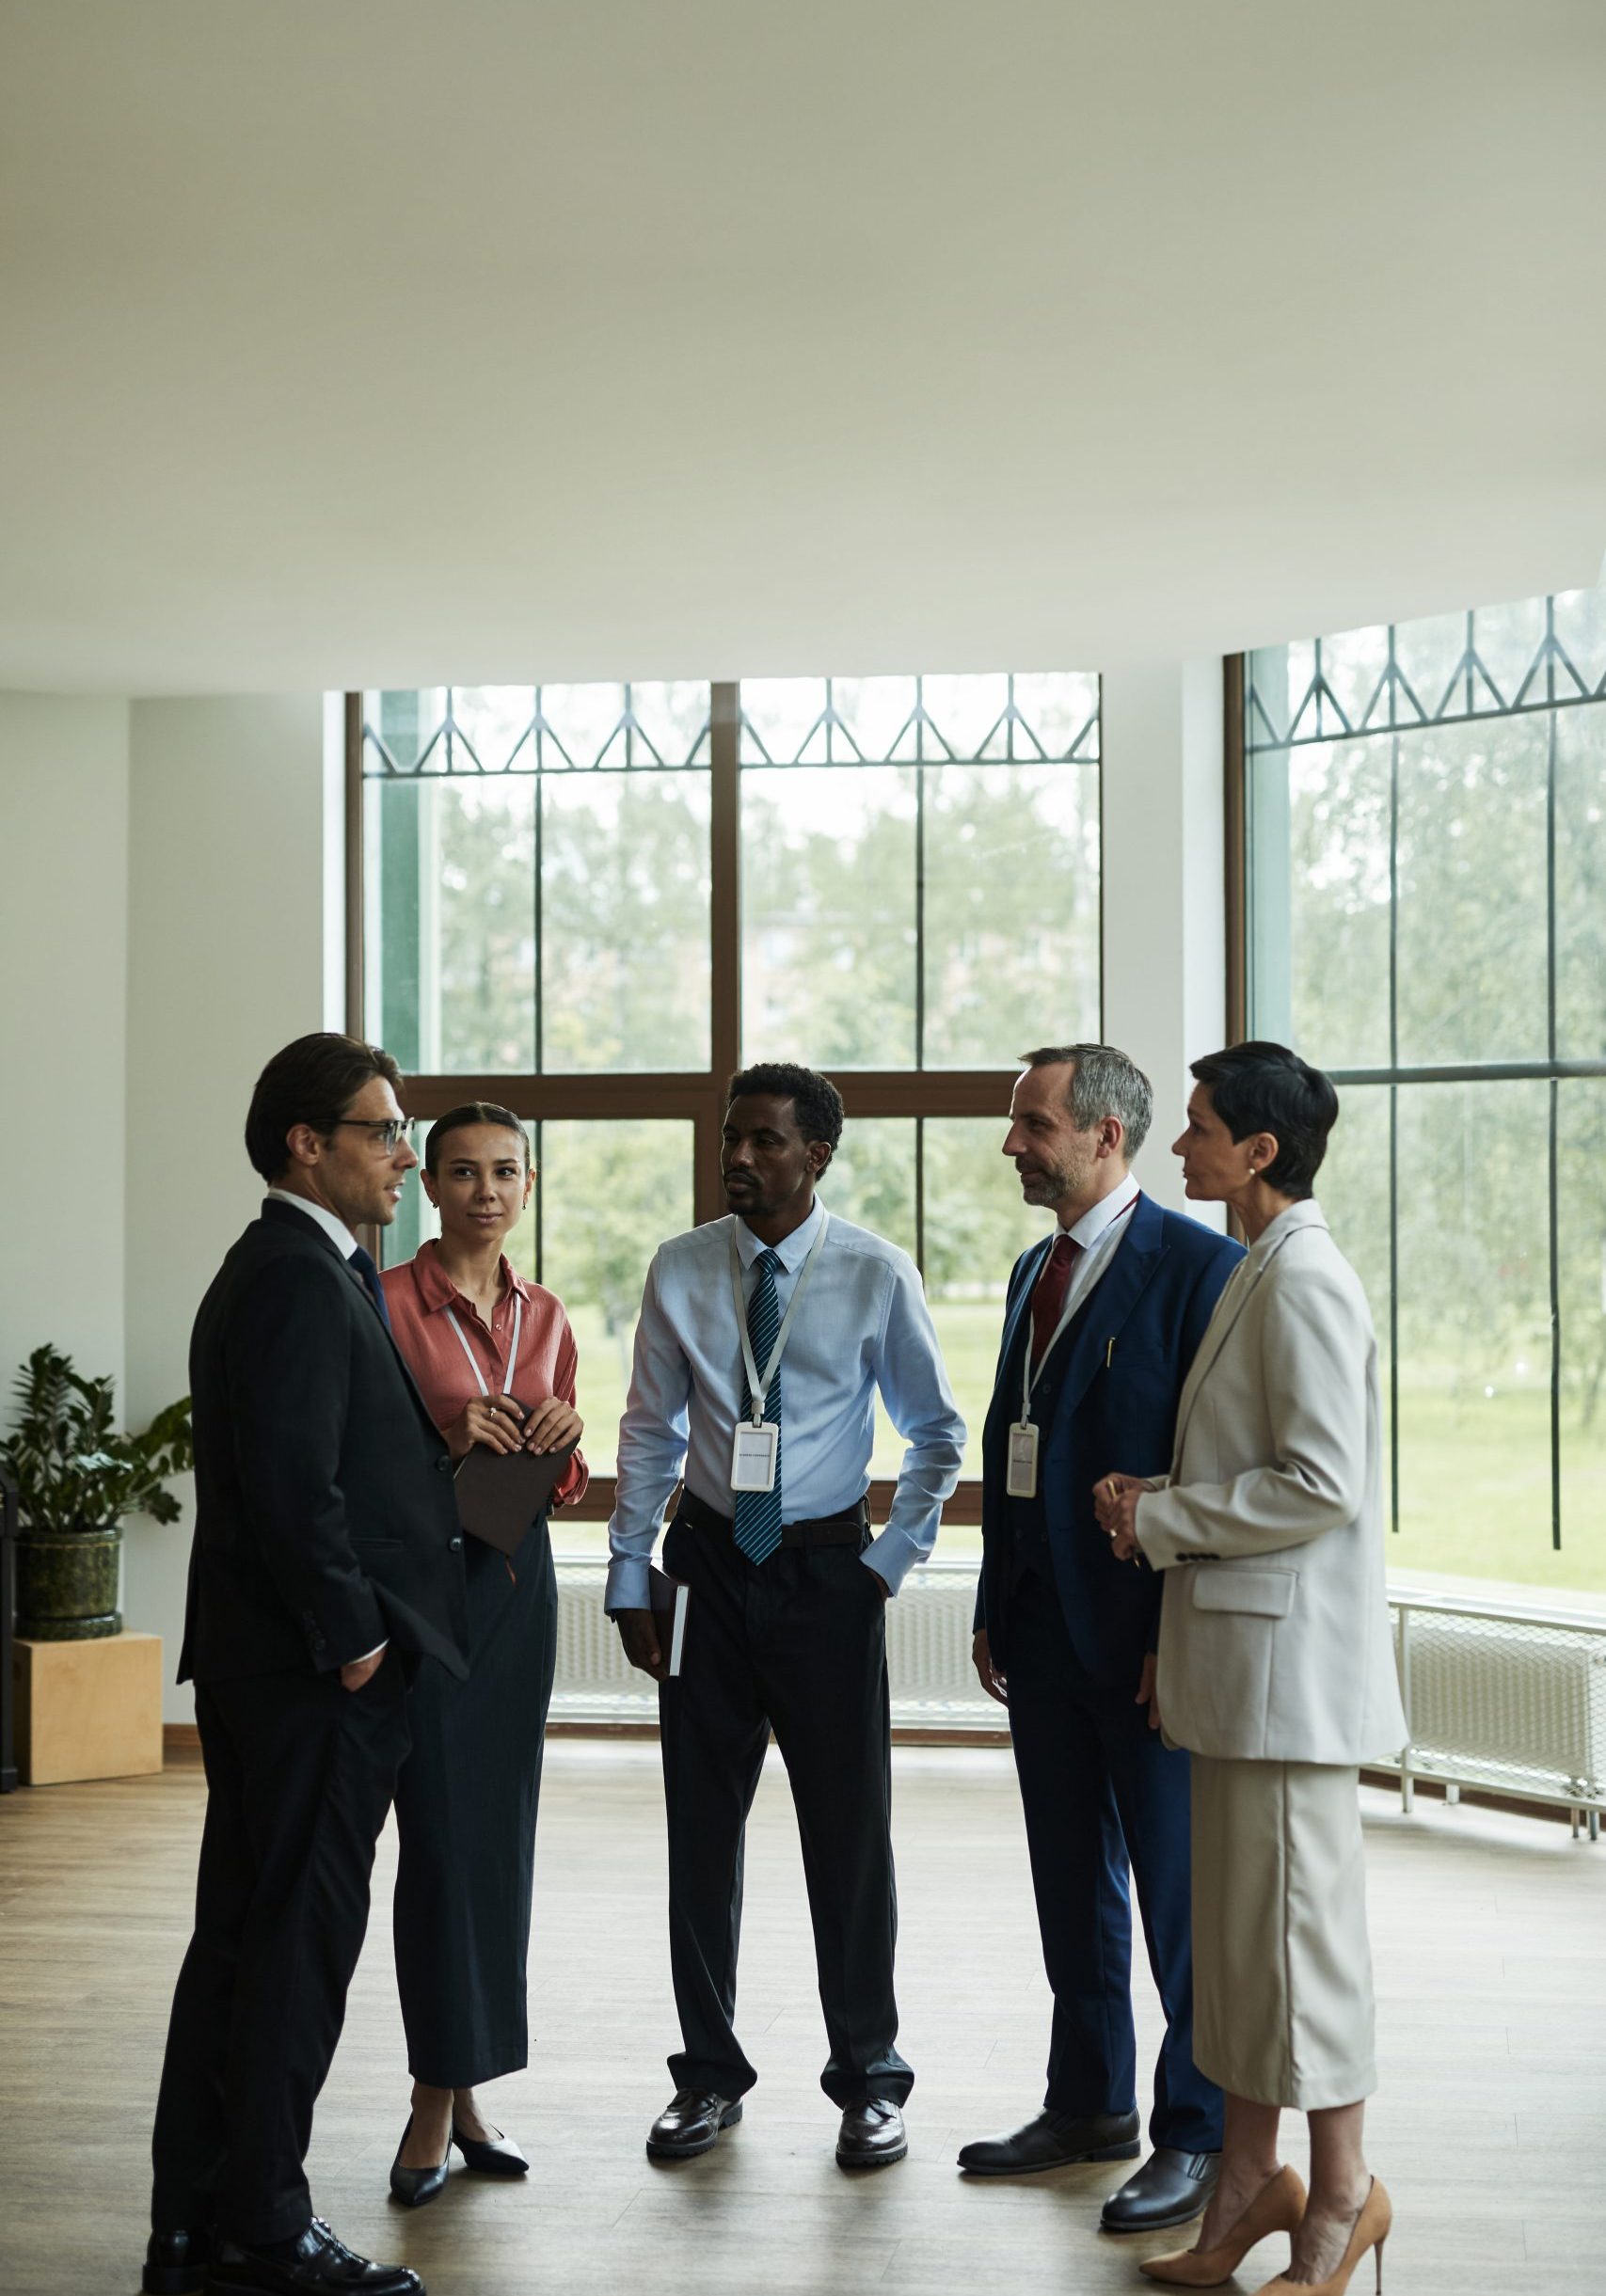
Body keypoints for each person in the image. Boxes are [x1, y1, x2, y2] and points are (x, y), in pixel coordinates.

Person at [146, 1035, 469, 2296]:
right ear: (306, 1143)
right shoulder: (291, 1273)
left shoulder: (304, 1265)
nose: (404, 1154)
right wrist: (358, 1641)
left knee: (242, 1942)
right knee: (290, 1952)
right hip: (311, 1681)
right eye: (383, 1130)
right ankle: (267, 2229)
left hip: (279, 1675)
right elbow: (294, 1492)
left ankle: (199, 2225)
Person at [607, 1062, 965, 2170]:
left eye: (766, 1141)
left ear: (817, 1154)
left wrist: (884, 1567)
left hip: (825, 1580)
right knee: (699, 1839)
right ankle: (708, 2074)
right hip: (710, 1571)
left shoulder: (872, 1272)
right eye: (732, 1139)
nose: (740, 1159)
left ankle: (870, 2079)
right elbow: (649, 1432)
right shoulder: (680, 1268)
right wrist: (629, 1570)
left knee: (848, 1842)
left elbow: (938, 1435)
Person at [1095, 1042, 1406, 2296]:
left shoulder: (1304, 1279)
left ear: (1258, 1152)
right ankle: (1243, 2189)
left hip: (1289, 1698)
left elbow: (1321, 1484)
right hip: (1238, 1683)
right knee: (1235, 1965)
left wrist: (1162, 1519)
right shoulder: (1258, 1269)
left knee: (1298, 1962)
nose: (1179, 1147)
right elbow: (1262, 1462)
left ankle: (1338, 2202)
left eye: (1199, 1127)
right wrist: (1164, 1499)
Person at [959, 1045, 1243, 2236]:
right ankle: (1088, 2105)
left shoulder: (1203, 1271)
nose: (1013, 1143)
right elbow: (1018, 1439)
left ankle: (1198, 2132)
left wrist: (1176, 1633)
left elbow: (1221, 1469)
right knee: (1070, 1882)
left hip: (1145, 1646)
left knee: (1180, 1897)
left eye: (1033, 1124)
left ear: (1105, 1135)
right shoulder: (1038, 1264)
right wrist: (992, 1597)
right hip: (1040, 1630)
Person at [380, 1104, 587, 2203]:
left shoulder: (544, 1311)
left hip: (517, 1582)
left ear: (530, 1183)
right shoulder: (384, 1302)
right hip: (423, 1588)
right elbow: (361, 1457)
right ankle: (432, 2093)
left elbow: (558, 1474)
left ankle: (462, 2091)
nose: (485, 1191)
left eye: (505, 1171)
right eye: (461, 1171)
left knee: (496, 1837)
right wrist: (446, 1439)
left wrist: (564, 1444)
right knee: (442, 1840)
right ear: (430, 1184)